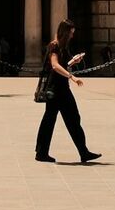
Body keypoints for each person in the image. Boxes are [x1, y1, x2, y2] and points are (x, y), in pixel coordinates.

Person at [34, 19, 98, 163]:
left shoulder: (62, 48)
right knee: (55, 120)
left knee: (69, 119)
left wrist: (73, 62)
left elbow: (62, 65)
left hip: (61, 89)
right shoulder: (54, 46)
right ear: (65, 32)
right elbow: (55, 66)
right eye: (71, 33)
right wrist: (72, 77)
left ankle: (82, 151)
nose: (72, 36)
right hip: (55, 90)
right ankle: (42, 152)